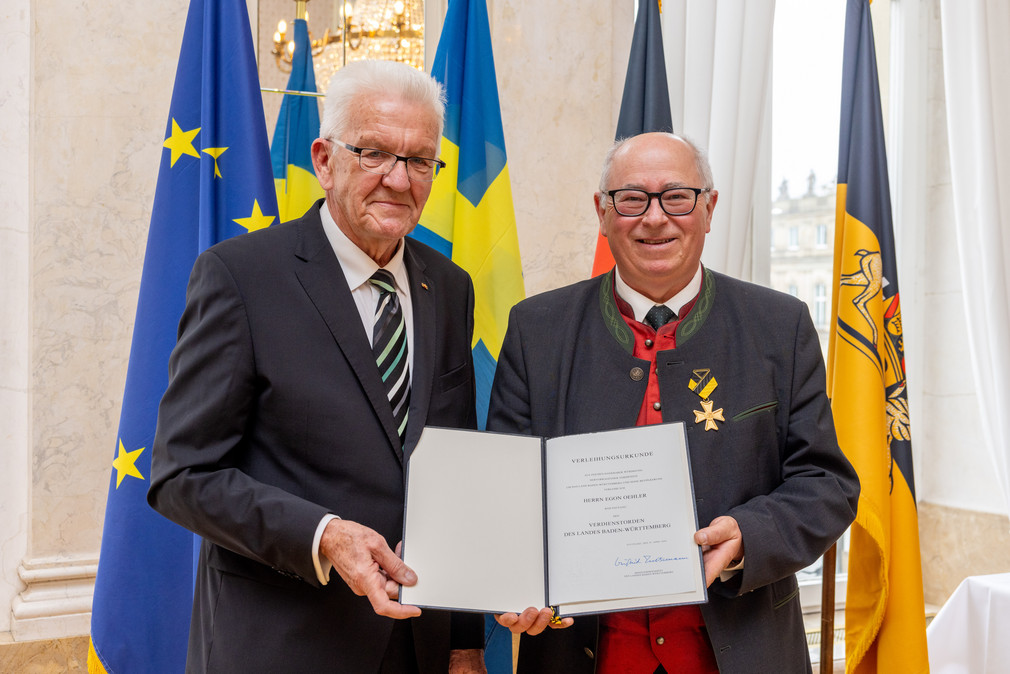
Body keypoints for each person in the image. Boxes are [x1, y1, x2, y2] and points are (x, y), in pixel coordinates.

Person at [148, 60, 485, 674]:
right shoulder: (241, 277)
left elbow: (452, 471)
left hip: (420, 647)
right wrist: (325, 535)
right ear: (325, 160)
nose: (398, 179)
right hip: (285, 643)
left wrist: (465, 642)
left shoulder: (450, 287)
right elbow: (181, 475)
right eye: (375, 153)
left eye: (418, 161)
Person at [487, 132, 859, 673]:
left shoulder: (780, 326)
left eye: (677, 197)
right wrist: (516, 581)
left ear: (709, 208)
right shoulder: (535, 330)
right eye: (632, 198)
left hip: (743, 650)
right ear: (602, 211)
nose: (655, 218)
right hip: (580, 656)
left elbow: (826, 485)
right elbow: (507, 492)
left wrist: (747, 536)